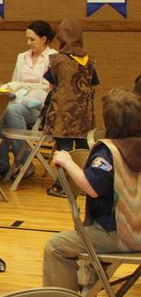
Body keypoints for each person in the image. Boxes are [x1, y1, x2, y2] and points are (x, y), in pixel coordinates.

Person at [43, 88, 141, 292]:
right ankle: (89, 290)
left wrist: (68, 161)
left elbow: (93, 188)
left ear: (106, 123)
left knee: (56, 246)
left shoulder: (108, 151)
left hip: (122, 234)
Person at [0, 20, 57, 176]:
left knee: (13, 111)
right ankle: (2, 163)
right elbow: (15, 82)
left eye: (32, 39)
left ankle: (25, 163)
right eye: (27, 39)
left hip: (38, 107)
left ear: (44, 39)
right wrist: (14, 86)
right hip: (18, 100)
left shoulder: (53, 57)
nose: (28, 43)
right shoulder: (21, 57)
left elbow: (46, 87)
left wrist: (19, 85)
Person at [44, 19, 100, 197]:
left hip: (63, 114)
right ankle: (84, 184)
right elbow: (95, 82)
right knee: (83, 149)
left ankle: (62, 186)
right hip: (84, 113)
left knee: (64, 150)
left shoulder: (57, 60)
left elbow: (51, 82)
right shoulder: (89, 60)